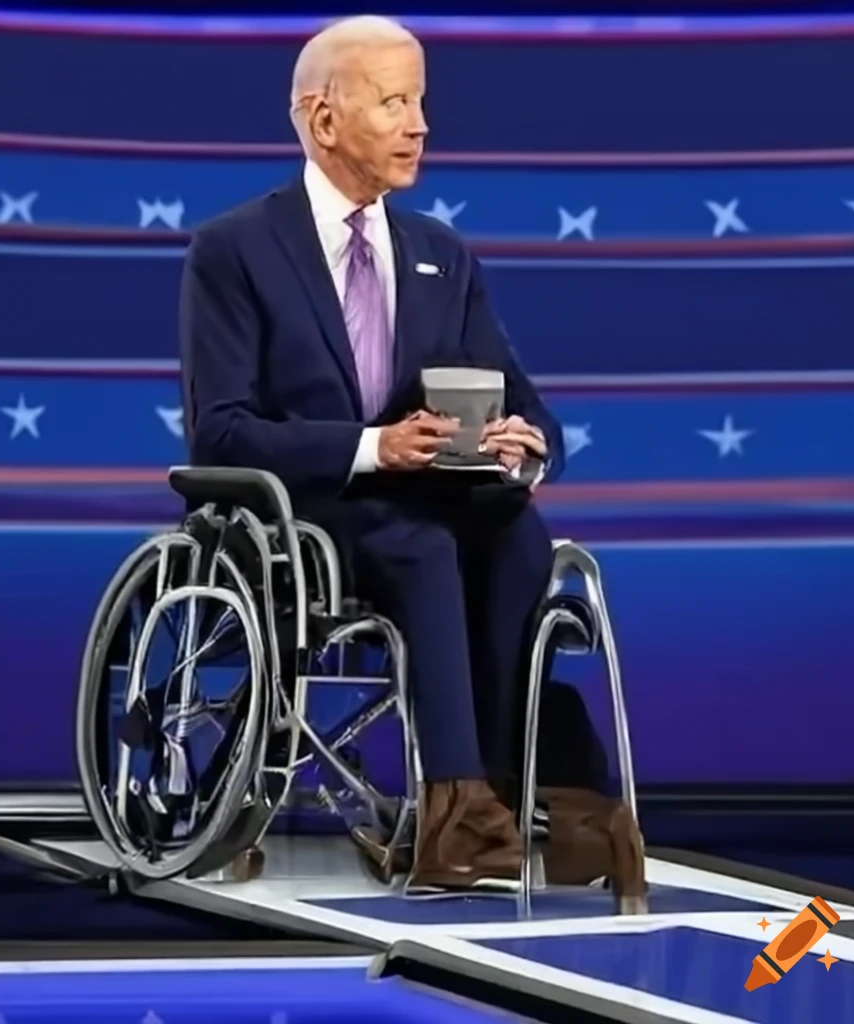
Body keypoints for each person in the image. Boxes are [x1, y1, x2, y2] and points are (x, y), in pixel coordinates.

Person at [180, 15, 565, 888]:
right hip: (301, 517)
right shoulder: (235, 250)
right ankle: (455, 810)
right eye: (395, 103)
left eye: (421, 102)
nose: (420, 124)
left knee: (518, 538)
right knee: (423, 546)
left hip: (427, 500)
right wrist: (372, 448)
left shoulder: (439, 253)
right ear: (323, 120)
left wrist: (523, 444)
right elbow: (221, 432)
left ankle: (504, 797)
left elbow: (527, 401)